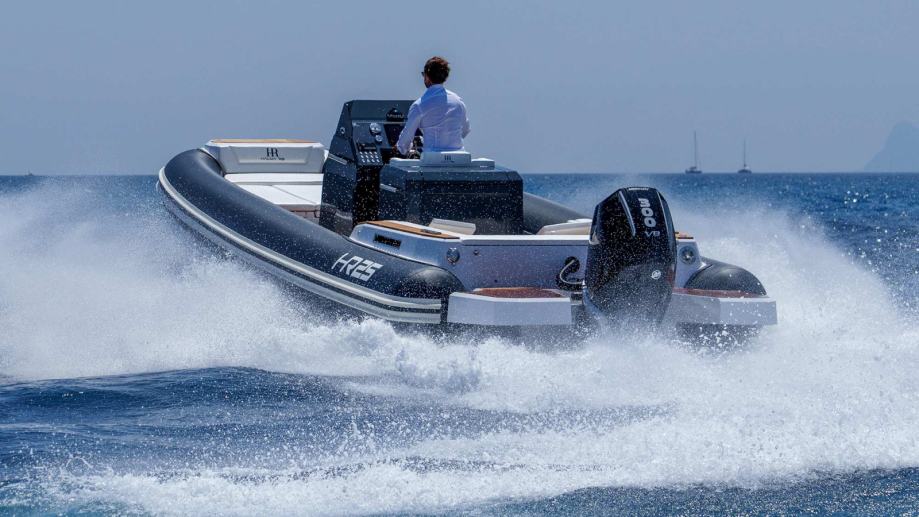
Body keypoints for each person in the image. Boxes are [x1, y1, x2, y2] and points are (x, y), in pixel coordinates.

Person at [395, 56, 470, 157]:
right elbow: (465, 130)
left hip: (432, 160)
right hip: (459, 159)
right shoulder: (458, 102)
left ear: (427, 76)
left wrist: (400, 148)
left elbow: (405, 140)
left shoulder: (419, 105)